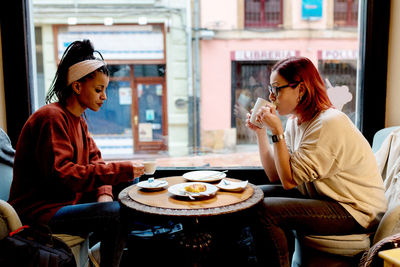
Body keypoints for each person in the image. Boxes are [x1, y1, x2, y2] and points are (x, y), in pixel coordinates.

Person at [8, 39, 144, 267]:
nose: (104, 97)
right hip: (40, 213)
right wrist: (120, 173)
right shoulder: (51, 118)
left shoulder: (78, 120)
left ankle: (98, 256)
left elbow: (95, 160)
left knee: (133, 182)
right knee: (115, 212)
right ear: (78, 87)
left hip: (64, 202)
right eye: (99, 90)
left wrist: (105, 193)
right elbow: (64, 175)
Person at [246, 56, 387, 266]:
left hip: (355, 210)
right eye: (270, 88)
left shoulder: (328, 123)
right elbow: (275, 174)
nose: (271, 96)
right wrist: (260, 133)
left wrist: (276, 131)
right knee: (253, 195)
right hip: (326, 198)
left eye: (277, 89)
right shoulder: (296, 122)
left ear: (301, 90)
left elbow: (288, 181)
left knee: (265, 212)